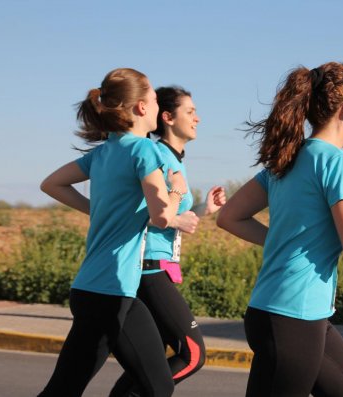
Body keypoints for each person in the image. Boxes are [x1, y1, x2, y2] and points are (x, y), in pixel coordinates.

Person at [216, 61, 343, 397]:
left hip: (284, 314)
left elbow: (229, 216)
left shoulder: (287, 158)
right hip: (293, 319)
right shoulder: (337, 162)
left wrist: (282, 243)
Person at [38, 68, 198, 397]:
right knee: (72, 389)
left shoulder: (103, 152)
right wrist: (178, 191)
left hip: (100, 289)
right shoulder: (145, 150)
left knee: (155, 385)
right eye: (154, 100)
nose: (156, 106)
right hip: (109, 291)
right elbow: (163, 217)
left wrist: (96, 210)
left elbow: (51, 184)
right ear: (141, 107)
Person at [110, 86, 226, 397]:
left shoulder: (175, 158)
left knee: (150, 366)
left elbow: (170, 212)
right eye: (190, 112)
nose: (198, 118)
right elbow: (134, 210)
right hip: (149, 268)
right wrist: (174, 219)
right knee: (193, 355)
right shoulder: (158, 155)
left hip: (159, 267)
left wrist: (203, 210)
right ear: (167, 117)